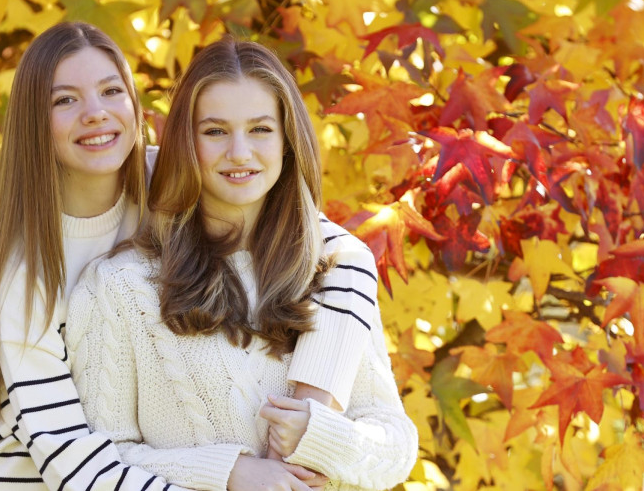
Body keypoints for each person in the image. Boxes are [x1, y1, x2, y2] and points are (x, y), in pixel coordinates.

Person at [0, 22, 372, 490]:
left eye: (111, 91)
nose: (95, 113)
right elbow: (74, 468)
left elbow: (336, 250)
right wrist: (233, 474)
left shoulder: (170, 179)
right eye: (64, 99)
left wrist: (312, 406)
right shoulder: (27, 277)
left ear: (134, 103)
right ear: (34, 122)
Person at [66, 37, 417, 491]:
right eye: (215, 131)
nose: (239, 152)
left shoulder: (334, 272)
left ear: (288, 141)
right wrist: (230, 473)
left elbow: (395, 444)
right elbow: (100, 464)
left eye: (260, 129)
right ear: (185, 143)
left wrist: (324, 436)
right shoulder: (120, 287)